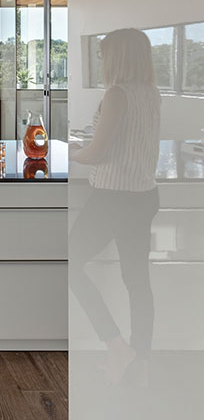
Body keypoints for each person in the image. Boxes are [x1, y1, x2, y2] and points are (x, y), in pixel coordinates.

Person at [70, 28, 161, 386]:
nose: (101, 60)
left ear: (118, 57)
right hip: (144, 196)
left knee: (68, 264)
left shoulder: (117, 94)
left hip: (112, 198)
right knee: (137, 281)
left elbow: (98, 153)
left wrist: (69, 153)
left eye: (104, 54)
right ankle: (142, 361)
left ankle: (116, 346)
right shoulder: (151, 93)